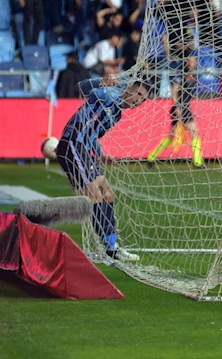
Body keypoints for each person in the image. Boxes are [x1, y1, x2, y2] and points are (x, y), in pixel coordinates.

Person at [56, 77, 151, 261]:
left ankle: (111, 247)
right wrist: (100, 81)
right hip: (72, 144)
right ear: (130, 88)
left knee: (107, 192)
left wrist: (99, 155)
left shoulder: (117, 114)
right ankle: (105, 247)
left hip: (83, 148)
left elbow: (92, 134)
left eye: (143, 99)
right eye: (138, 94)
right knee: (94, 195)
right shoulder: (109, 95)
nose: (138, 100)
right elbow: (79, 88)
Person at [147, 50, 205, 168]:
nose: (191, 63)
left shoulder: (194, 75)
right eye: (189, 60)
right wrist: (177, 106)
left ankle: (151, 157)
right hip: (179, 107)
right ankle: (197, 162)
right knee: (193, 133)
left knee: (173, 135)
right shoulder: (181, 74)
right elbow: (174, 89)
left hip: (185, 107)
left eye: (193, 60)